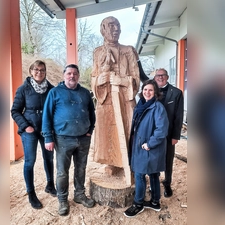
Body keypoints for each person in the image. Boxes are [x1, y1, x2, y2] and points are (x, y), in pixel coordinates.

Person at [42, 64, 96, 216]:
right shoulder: (55, 93)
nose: (72, 76)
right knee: (62, 172)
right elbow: (47, 116)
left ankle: (79, 195)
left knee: (81, 168)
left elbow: (92, 114)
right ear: (64, 75)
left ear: (78, 76)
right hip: (63, 139)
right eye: (69, 73)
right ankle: (63, 200)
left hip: (83, 139)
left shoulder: (85, 93)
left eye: (75, 74)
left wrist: (90, 130)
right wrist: (48, 137)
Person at [91, 16, 140, 169]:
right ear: (103, 29)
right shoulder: (98, 52)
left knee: (129, 128)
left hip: (125, 99)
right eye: (111, 26)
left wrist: (123, 81)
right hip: (106, 98)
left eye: (118, 26)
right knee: (107, 131)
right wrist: (99, 80)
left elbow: (137, 78)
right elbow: (93, 76)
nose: (116, 29)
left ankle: (129, 163)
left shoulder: (129, 51)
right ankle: (112, 162)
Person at [11, 60, 56, 209]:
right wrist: (25, 126)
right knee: (30, 161)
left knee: (49, 158)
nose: (39, 72)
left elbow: (55, 109)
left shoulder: (51, 89)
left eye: (42, 70)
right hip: (29, 130)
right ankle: (31, 193)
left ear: (45, 72)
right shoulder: (24, 89)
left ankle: (50, 185)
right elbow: (15, 111)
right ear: (31, 71)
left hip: (46, 130)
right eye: (36, 69)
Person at [124, 80, 168, 218]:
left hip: (149, 147)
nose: (147, 92)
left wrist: (150, 143)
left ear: (155, 93)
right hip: (140, 145)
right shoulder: (140, 105)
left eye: (150, 90)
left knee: (139, 174)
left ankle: (138, 204)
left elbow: (161, 130)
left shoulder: (157, 107)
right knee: (154, 174)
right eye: (145, 90)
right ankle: (155, 202)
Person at [153, 68, 184, 197]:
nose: (160, 77)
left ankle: (167, 183)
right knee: (154, 158)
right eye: (158, 76)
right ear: (155, 78)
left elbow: (179, 116)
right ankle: (154, 184)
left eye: (163, 75)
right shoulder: (151, 91)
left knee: (168, 159)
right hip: (153, 133)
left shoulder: (176, 93)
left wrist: (176, 135)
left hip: (169, 133)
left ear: (167, 77)